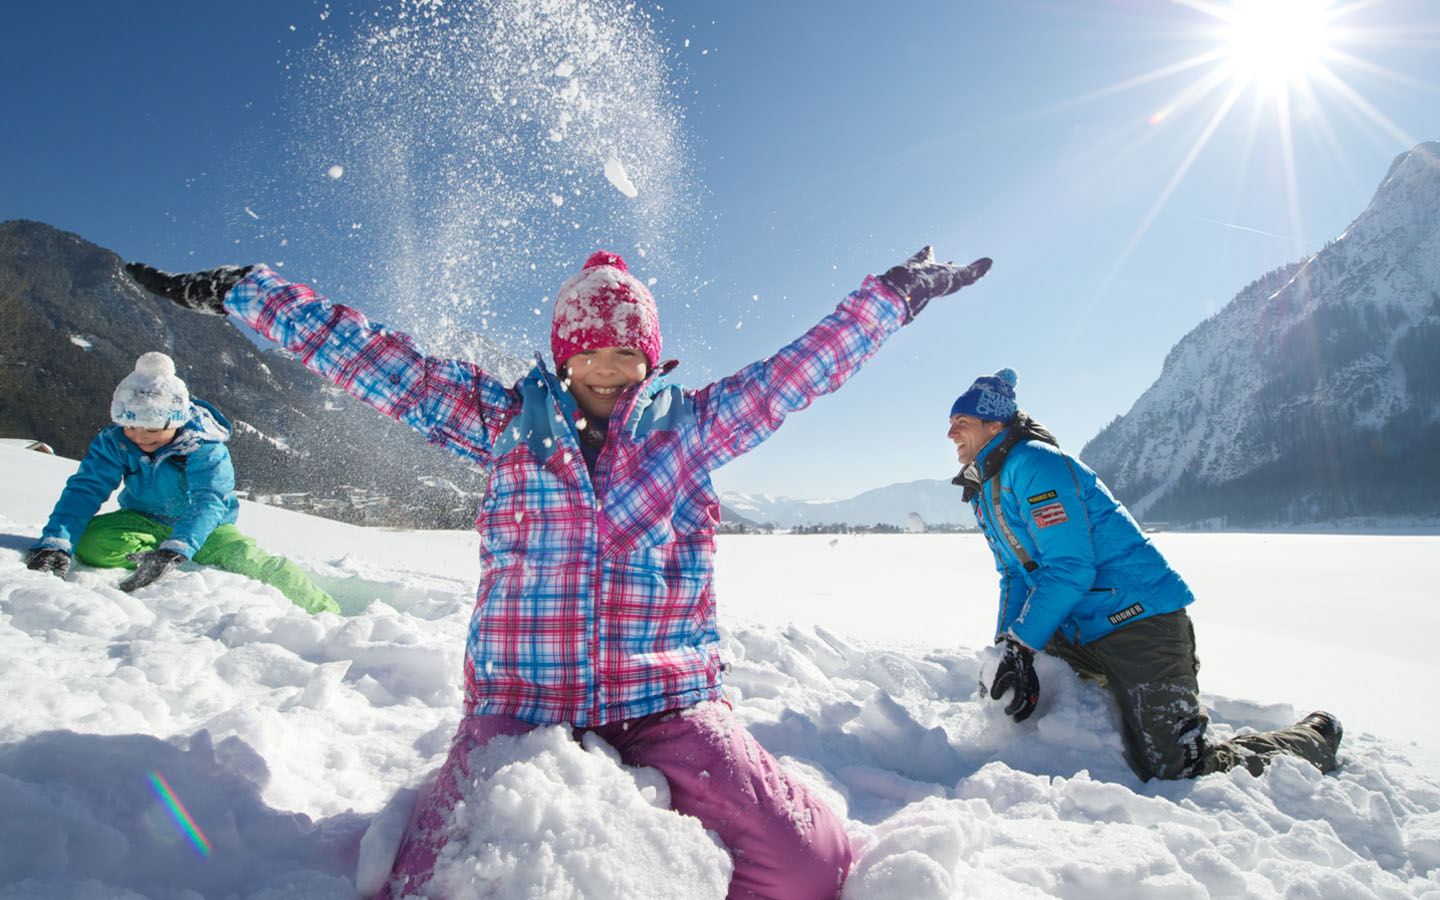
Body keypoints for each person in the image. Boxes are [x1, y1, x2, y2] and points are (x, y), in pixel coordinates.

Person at [125, 245, 991, 899]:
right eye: (591, 357)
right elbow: (370, 360)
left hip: (666, 706)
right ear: (562, 358)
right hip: (522, 707)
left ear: (651, 361)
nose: (609, 376)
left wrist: (893, 297)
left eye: (627, 358)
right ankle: (440, 798)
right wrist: (244, 291)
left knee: (810, 868)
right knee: (427, 885)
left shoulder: (691, 428)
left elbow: (803, 370)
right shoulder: (500, 421)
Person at [946, 368, 1342, 781]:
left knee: (1179, 768)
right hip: (1081, 628)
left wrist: (1023, 645)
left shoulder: (1035, 465)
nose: (952, 434)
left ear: (994, 425)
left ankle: (1312, 739)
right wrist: (1006, 651)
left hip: (1139, 620)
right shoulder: (985, 488)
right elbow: (1014, 576)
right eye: (951, 424)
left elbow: (1071, 568)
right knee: (1017, 688)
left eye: (962, 423)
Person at [25, 351, 340, 615]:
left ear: (173, 421)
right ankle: (152, 552)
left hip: (208, 528)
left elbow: (210, 500)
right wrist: (56, 542)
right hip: (142, 519)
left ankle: (326, 613)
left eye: (150, 429)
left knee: (255, 563)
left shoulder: (205, 447)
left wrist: (177, 549)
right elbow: (85, 489)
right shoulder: (114, 442)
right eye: (130, 427)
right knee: (91, 542)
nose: (138, 437)